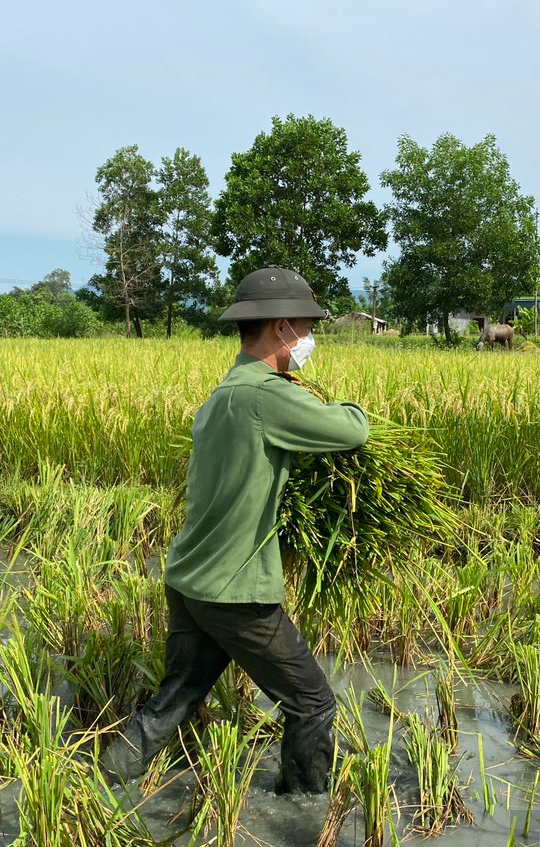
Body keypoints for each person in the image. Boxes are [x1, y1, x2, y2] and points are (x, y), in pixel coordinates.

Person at [104, 266, 370, 793]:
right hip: (235, 590)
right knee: (312, 701)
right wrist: (334, 402)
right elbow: (352, 430)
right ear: (281, 328)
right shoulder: (263, 395)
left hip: (190, 579)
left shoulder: (226, 392)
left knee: (176, 698)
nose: (309, 338)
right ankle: (305, 815)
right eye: (305, 327)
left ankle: (94, 783)